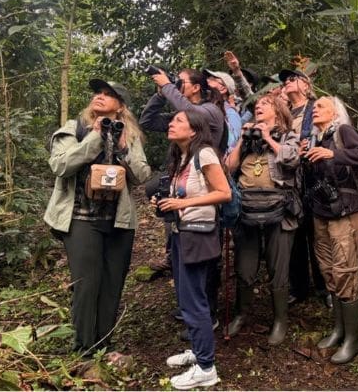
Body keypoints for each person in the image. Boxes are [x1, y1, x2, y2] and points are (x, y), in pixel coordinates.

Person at [44, 79, 151, 353]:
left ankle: (104, 345)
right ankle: (84, 348)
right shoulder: (74, 129)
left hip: (119, 220)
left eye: (108, 94)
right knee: (86, 285)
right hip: (81, 219)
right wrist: (95, 137)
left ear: (120, 106)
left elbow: (142, 176)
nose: (99, 97)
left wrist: (124, 148)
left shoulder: (129, 135)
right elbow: (61, 165)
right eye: (97, 93)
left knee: (113, 284)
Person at [141, 67, 226, 332]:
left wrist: (168, 86)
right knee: (181, 257)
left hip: (203, 197)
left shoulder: (210, 111)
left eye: (181, 82)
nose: (176, 85)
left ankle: (206, 315)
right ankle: (191, 315)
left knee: (203, 261)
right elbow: (147, 121)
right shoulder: (182, 116)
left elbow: (190, 113)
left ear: (197, 87)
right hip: (180, 193)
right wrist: (160, 94)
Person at [157, 109, 231, 390]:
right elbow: (187, 193)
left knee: (194, 301)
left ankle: (206, 368)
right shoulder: (183, 157)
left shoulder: (205, 154)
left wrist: (183, 204)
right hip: (182, 233)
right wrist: (167, 202)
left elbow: (224, 193)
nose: (171, 123)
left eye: (178, 120)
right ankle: (199, 351)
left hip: (198, 235)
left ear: (194, 130)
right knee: (185, 298)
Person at [301, 96, 358, 364]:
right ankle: (339, 329)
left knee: (345, 272)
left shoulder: (343, 131)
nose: (315, 109)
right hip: (321, 214)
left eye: (321, 106)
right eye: (314, 107)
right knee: (328, 271)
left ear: (335, 112)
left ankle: (353, 339)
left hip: (345, 213)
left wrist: (334, 154)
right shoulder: (316, 139)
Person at [224, 94, 300, 344]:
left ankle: (280, 320)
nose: (258, 107)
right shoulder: (247, 139)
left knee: (279, 269)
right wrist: (242, 139)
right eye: (257, 105)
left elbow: (292, 159)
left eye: (265, 104)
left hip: (280, 211)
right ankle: (241, 314)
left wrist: (268, 137)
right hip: (247, 210)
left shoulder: (287, 136)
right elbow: (229, 168)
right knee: (245, 268)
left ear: (278, 112)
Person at [282, 68, 330, 307]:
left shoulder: (316, 107)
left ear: (305, 84)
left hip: (313, 177)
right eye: (285, 81)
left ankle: (324, 286)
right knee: (295, 232)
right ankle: (298, 287)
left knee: (318, 233)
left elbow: (330, 132)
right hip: (290, 178)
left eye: (292, 79)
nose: (287, 82)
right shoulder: (283, 112)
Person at [204, 69, 242, 154]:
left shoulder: (230, 112)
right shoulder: (204, 107)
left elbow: (233, 143)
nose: (207, 80)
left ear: (223, 88)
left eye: (213, 79)